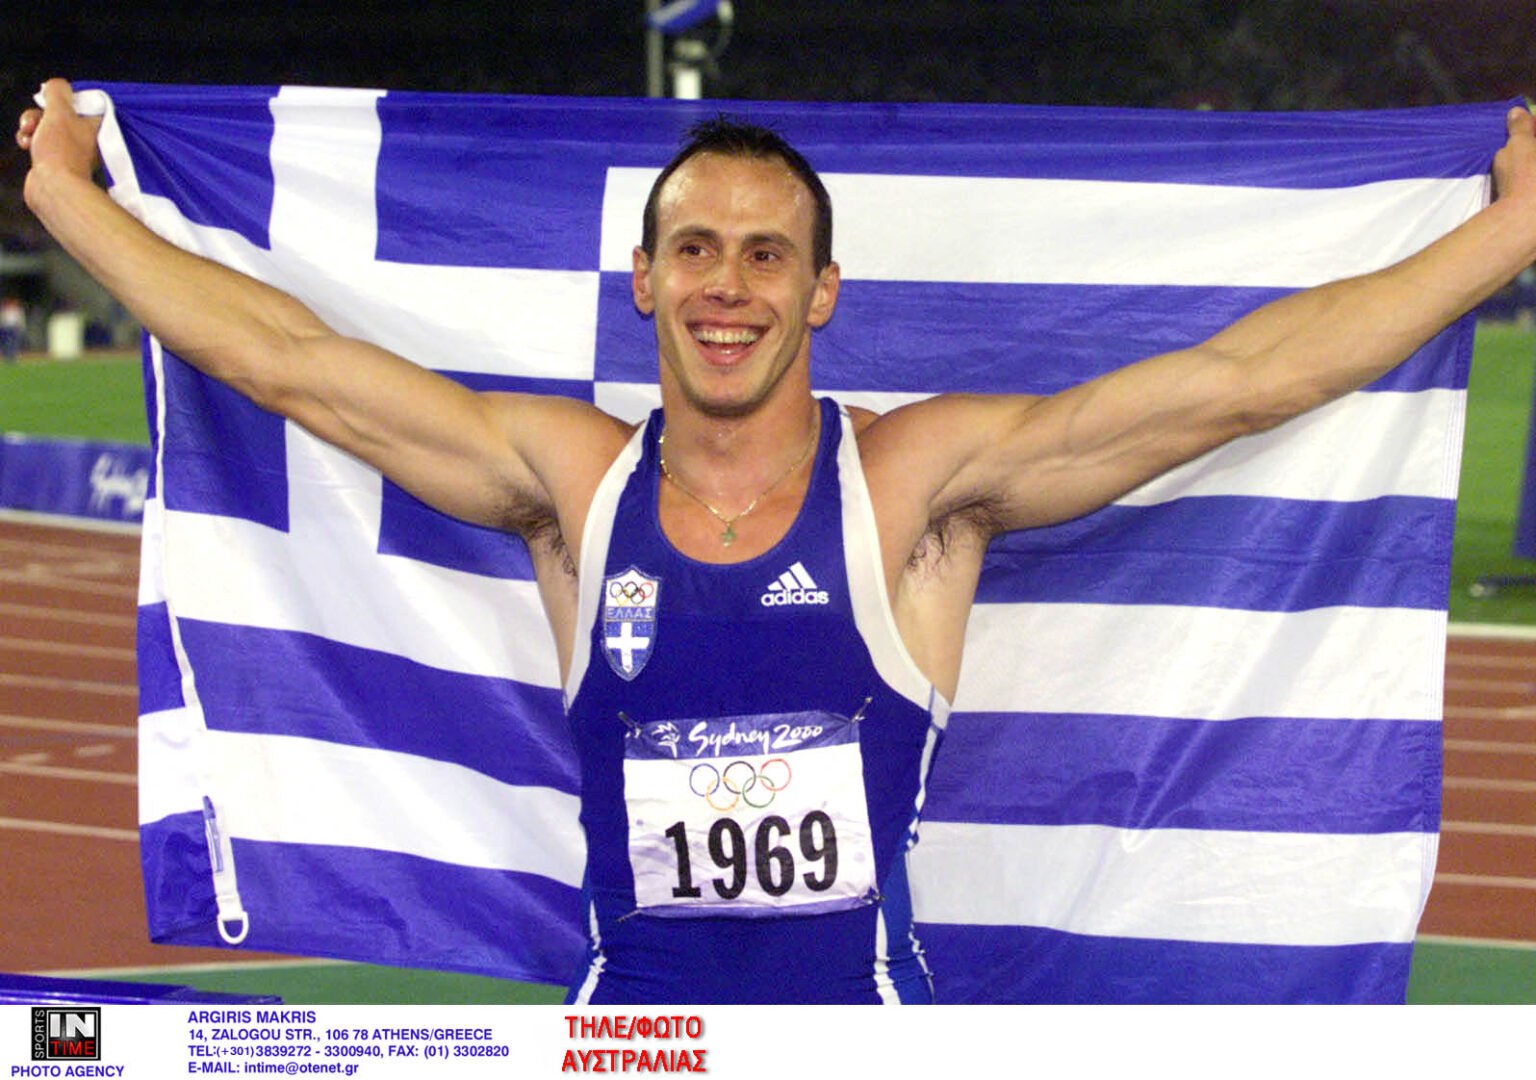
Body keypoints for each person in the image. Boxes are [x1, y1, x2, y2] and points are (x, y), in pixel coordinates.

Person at [17, 78, 1536, 1004]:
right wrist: (67, 202)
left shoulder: (912, 485)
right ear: (644, 281)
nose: (727, 286)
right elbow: (290, 365)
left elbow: (1237, 383)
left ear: (820, 293)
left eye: (765, 255)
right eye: (695, 250)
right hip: (635, 1040)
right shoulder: (573, 486)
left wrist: (1509, 229)